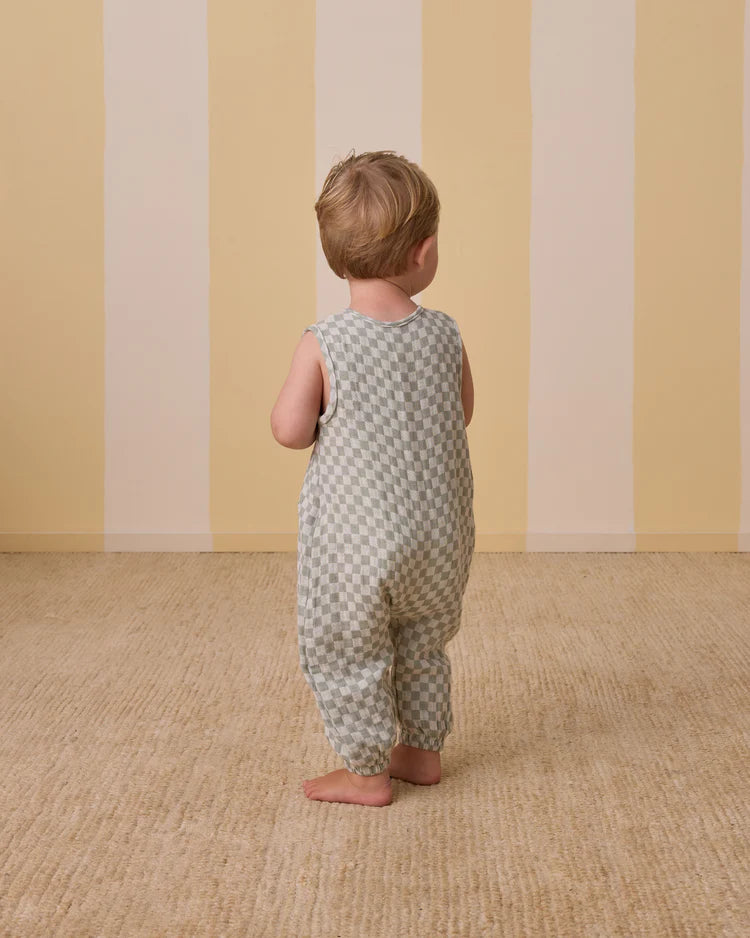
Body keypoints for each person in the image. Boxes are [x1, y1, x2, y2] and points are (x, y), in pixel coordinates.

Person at [270, 149, 475, 806]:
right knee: (422, 642)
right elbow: (462, 412)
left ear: (335, 256)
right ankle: (421, 751)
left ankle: (365, 771)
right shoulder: (444, 335)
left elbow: (290, 430)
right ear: (425, 251)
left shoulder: (326, 341)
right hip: (440, 539)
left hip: (358, 548)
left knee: (351, 649)